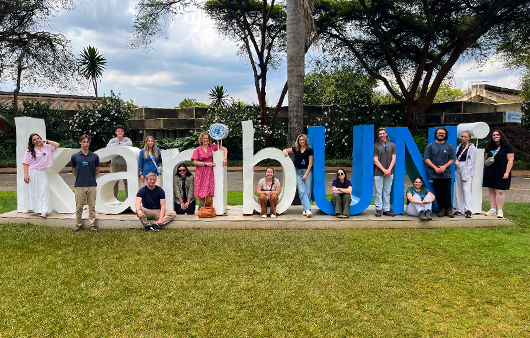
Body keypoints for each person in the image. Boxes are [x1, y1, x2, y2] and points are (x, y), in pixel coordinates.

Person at [22, 133, 60, 217]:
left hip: (42, 172)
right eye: (34, 140)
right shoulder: (30, 150)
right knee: (35, 191)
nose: (37, 140)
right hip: (33, 172)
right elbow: (25, 163)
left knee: (43, 190)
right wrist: (26, 174)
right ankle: (38, 209)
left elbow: (57, 144)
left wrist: (46, 141)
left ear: (40, 138)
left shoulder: (46, 147)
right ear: (32, 142)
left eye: (38, 138)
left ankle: (44, 210)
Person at [424, 127, 456, 218]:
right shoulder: (430, 146)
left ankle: (449, 209)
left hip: (446, 174)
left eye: (443, 133)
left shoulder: (449, 146)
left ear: (445, 135)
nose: (441, 134)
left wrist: (444, 166)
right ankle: (441, 209)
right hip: (434, 174)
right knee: (438, 192)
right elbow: (426, 159)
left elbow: (453, 158)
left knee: (447, 191)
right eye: (439, 133)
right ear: (436, 134)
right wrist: (435, 168)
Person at [482, 129, 514, 219]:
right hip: (490, 171)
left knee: (500, 190)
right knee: (491, 189)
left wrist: (507, 172)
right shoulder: (490, 147)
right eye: (493, 135)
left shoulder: (507, 147)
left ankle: (500, 210)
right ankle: (492, 209)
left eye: (497, 135)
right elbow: (486, 159)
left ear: (501, 136)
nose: (495, 136)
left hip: (502, 171)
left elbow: (510, 160)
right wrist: (484, 170)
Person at [71, 135, 100, 232]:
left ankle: (92, 224)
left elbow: (97, 169)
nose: (86, 144)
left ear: (89, 143)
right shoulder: (75, 156)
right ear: (80, 143)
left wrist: (90, 177)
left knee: (92, 206)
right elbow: (74, 170)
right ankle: (78, 224)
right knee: (79, 206)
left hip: (92, 184)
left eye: (87, 142)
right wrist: (81, 177)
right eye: (84, 142)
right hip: (79, 184)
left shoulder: (94, 156)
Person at [191, 131, 228, 206]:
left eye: (207, 138)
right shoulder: (198, 149)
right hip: (200, 172)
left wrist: (225, 159)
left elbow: (225, 149)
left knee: (209, 189)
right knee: (200, 189)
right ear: (201, 139)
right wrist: (206, 164)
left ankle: (208, 208)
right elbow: (194, 162)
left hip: (209, 172)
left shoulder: (212, 147)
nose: (205, 140)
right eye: (204, 138)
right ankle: (202, 207)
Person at [283, 134, 314, 217]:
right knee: (301, 191)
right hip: (297, 172)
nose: (302, 141)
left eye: (303, 140)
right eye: (300, 140)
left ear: (305, 140)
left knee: (307, 191)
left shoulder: (309, 150)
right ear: (298, 141)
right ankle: (308, 210)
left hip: (307, 171)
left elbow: (310, 163)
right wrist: (285, 152)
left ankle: (305, 209)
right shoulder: (296, 149)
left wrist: (306, 174)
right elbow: (285, 150)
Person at [373, 127, 396, 217]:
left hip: (390, 172)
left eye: (383, 133)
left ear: (386, 134)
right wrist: (384, 170)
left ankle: (386, 209)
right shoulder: (376, 145)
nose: (382, 135)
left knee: (387, 191)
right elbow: (375, 160)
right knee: (378, 191)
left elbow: (394, 158)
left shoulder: (392, 145)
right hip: (378, 172)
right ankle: (378, 209)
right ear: (378, 136)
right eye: (380, 134)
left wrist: (389, 170)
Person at [453, 131, 477, 218]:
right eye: (462, 136)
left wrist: (466, 174)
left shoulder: (472, 148)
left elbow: (471, 162)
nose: (463, 138)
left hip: (466, 168)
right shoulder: (459, 146)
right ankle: (459, 209)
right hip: (458, 167)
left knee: (466, 189)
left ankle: (468, 210)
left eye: (465, 137)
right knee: (458, 188)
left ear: (469, 138)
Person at [107, 125, 132, 198]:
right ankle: (114, 199)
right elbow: (108, 146)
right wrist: (117, 144)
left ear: (123, 132)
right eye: (118, 131)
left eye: (121, 131)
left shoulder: (127, 139)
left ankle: (129, 200)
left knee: (127, 182)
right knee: (114, 182)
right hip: (115, 164)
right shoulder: (113, 140)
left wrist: (119, 144)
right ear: (116, 132)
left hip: (125, 164)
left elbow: (130, 144)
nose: (120, 132)